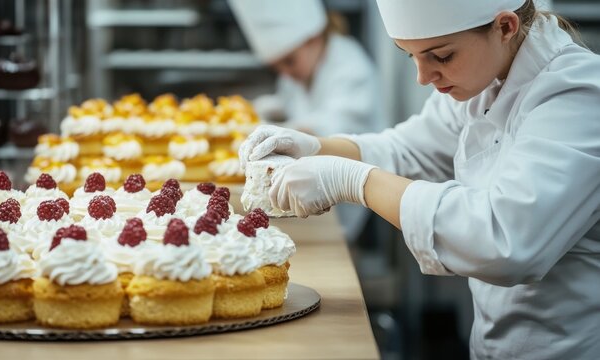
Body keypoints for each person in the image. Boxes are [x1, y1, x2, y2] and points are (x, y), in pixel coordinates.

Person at [239, 0, 600, 358]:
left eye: (441, 57)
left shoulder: (577, 95)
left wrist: (354, 182)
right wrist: (318, 147)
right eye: (408, 55)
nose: (423, 77)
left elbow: (504, 239)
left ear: (505, 27)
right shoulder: (486, 77)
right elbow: (408, 149)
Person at [229, 0, 386, 241]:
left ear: (313, 38)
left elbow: (333, 129)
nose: (286, 73)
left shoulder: (350, 66)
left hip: (341, 201)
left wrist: (286, 133)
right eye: (277, 67)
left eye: (289, 61)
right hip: (297, 198)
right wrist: (262, 109)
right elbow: (289, 102)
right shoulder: (301, 66)